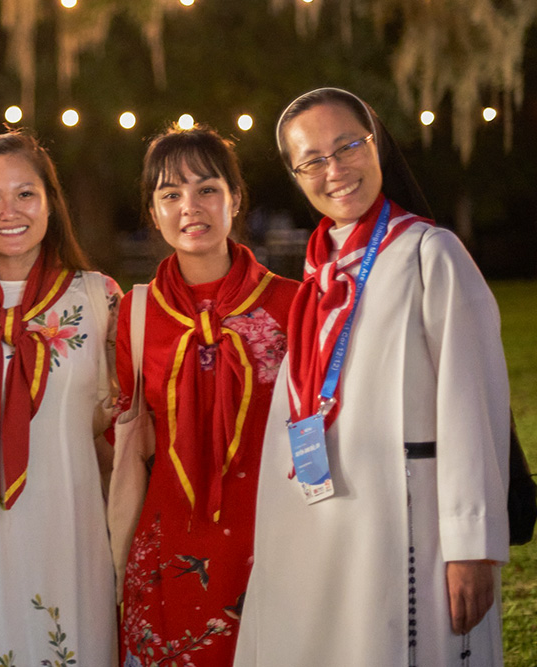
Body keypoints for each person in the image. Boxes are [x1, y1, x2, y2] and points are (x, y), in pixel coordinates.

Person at [234, 88, 510, 666]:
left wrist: (472, 545)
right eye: (311, 160)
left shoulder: (430, 254)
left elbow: (472, 402)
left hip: (409, 524)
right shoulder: (317, 274)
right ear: (295, 172)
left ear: (375, 143)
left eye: (347, 147)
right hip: (325, 524)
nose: (333, 170)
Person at [0, 130, 120, 665]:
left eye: (25, 194)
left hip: (70, 531)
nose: (9, 211)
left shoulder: (99, 300)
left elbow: (119, 432)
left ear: (51, 204)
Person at [115, 125, 298, 667]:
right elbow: (127, 436)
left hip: (271, 538)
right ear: (153, 212)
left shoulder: (291, 304)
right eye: (170, 194)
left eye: (206, 189)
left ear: (235, 199)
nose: (189, 207)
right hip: (169, 544)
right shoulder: (137, 312)